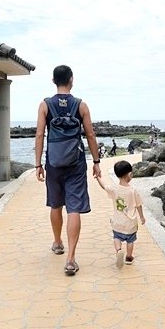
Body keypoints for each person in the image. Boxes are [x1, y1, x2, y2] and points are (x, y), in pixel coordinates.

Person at [35, 65, 101, 276]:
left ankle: (57, 242)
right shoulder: (81, 105)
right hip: (76, 162)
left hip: (53, 163)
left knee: (56, 204)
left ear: (54, 80)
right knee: (74, 208)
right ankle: (71, 259)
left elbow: (39, 135)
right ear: (71, 80)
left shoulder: (45, 105)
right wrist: (97, 161)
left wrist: (38, 164)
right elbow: (90, 135)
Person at [94, 160, 146, 268]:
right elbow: (139, 205)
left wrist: (98, 177)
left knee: (117, 238)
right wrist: (141, 217)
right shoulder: (133, 190)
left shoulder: (114, 188)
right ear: (129, 174)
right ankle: (129, 256)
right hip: (130, 223)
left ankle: (118, 251)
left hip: (117, 222)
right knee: (130, 240)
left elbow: (104, 186)